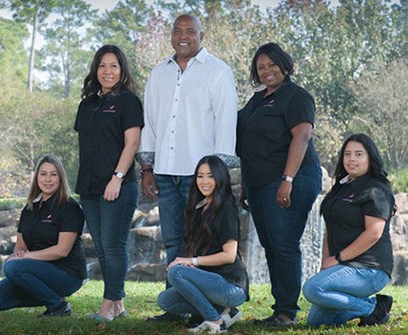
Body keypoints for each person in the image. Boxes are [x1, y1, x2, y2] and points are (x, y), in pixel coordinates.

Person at [136, 14, 238, 321]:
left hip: (202, 176)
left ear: (201, 35)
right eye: (177, 31)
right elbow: (150, 123)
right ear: (171, 36)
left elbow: (225, 122)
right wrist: (147, 168)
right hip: (165, 172)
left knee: (202, 239)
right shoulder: (158, 73)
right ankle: (178, 306)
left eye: (190, 32)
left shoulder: (218, 72)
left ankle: (205, 305)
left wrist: (219, 173)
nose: (183, 36)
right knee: (172, 239)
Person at [236, 42, 322, 326]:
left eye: (272, 65)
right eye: (261, 67)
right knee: (271, 245)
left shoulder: (296, 97)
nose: (266, 71)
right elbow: (248, 142)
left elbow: (302, 137)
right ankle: (280, 309)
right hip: (261, 182)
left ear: (284, 65)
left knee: (284, 244)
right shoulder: (257, 100)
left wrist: (287, 180)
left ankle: (287, 313)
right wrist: (247, 186)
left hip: (291, 178)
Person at [74, 44, 144, 321]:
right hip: (89, 186)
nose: (108, 71)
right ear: (96, 69)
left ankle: (107, 306)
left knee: (114, 245)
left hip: (118, 185)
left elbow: (133, 143)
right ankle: (119, 305)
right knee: (102, 246)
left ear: (122, 70)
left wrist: (117, 178)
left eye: (113, 65)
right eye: (102, 65)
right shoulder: (86, 104)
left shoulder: (129, 102)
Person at [303, 133, 395, 327]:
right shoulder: (341, 188)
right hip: (343, 267)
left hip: (369, 269)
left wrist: (337, 259)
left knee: (312, 289)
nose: (352, 159)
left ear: (370, 158)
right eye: (347, 154)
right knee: (316, 321)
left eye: (359, 154)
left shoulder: (376, 189)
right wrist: (325, 264)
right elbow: (330, 229)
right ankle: (373, 304)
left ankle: (372, 310)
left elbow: (374, 233)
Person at [157, 156, 249, 333]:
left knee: (177, 272)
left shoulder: (226, 209)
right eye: (200, 176)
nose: (204, 181)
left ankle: (213, 320)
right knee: (166, 300)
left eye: (210, 176)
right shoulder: (198, 211)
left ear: (220, 178)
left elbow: (229, 255)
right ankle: (225, 312)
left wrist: (192, 262)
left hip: (231, 286)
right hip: (212, 285)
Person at [0, 154, 86, 316]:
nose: (48, 179)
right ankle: (49, 296)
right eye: (43, 174)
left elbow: (61, 251)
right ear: (37, 178)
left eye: (53, 174)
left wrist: (26, 257)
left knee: (12, 266)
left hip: (67, 275)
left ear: (60, 178)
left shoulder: (69, 207)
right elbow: (20, 247)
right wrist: (19, 255)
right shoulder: (29, 209)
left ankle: (58, 306)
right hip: (36, 273)